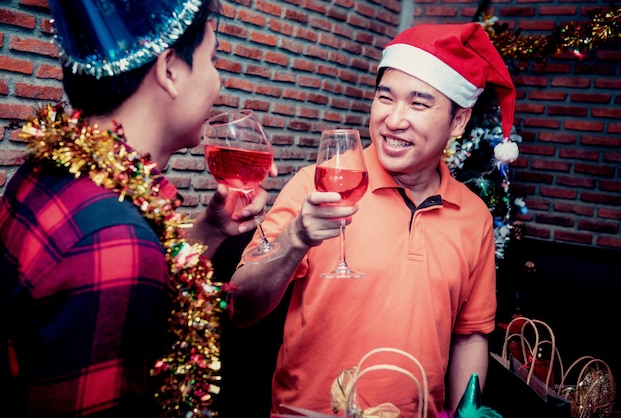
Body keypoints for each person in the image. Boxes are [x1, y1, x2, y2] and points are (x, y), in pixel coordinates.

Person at [229, 22, 518, 417]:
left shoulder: (475, 217)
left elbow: (469, 334)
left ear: (458, 122)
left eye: (419, 103)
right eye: (386, 98)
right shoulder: (319, 185)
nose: (394, 119)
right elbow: (240, 307)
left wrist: (466, 411)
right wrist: (296, 238)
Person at [0, 0, 272, 416]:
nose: (219, 85)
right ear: (170, 71)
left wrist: (209, 231)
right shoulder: (114, 243)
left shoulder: (44, 172)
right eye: (212, 60)